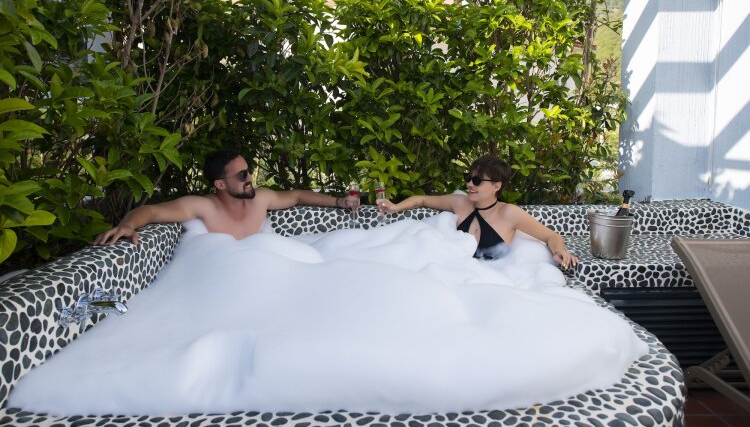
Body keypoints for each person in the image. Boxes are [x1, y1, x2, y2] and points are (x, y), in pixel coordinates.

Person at [95, 149, 359, 246]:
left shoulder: (260, 200)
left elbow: (298, 196)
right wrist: (128, 225)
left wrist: (339, 202)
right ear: (220, 184)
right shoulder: (203, 207)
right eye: (242, 175)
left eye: (249, 171)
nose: (250, 178)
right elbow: (151, 211)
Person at [376, 155, 579, 269]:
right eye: (469, 178)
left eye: (477, 181)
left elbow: (551, 236)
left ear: (496, 186)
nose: (469, 184)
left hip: (494, 282)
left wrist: (559, 251)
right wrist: (395, 207)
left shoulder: (509, 214)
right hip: (453, 274)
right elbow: (422, 200)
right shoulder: (459, 203)